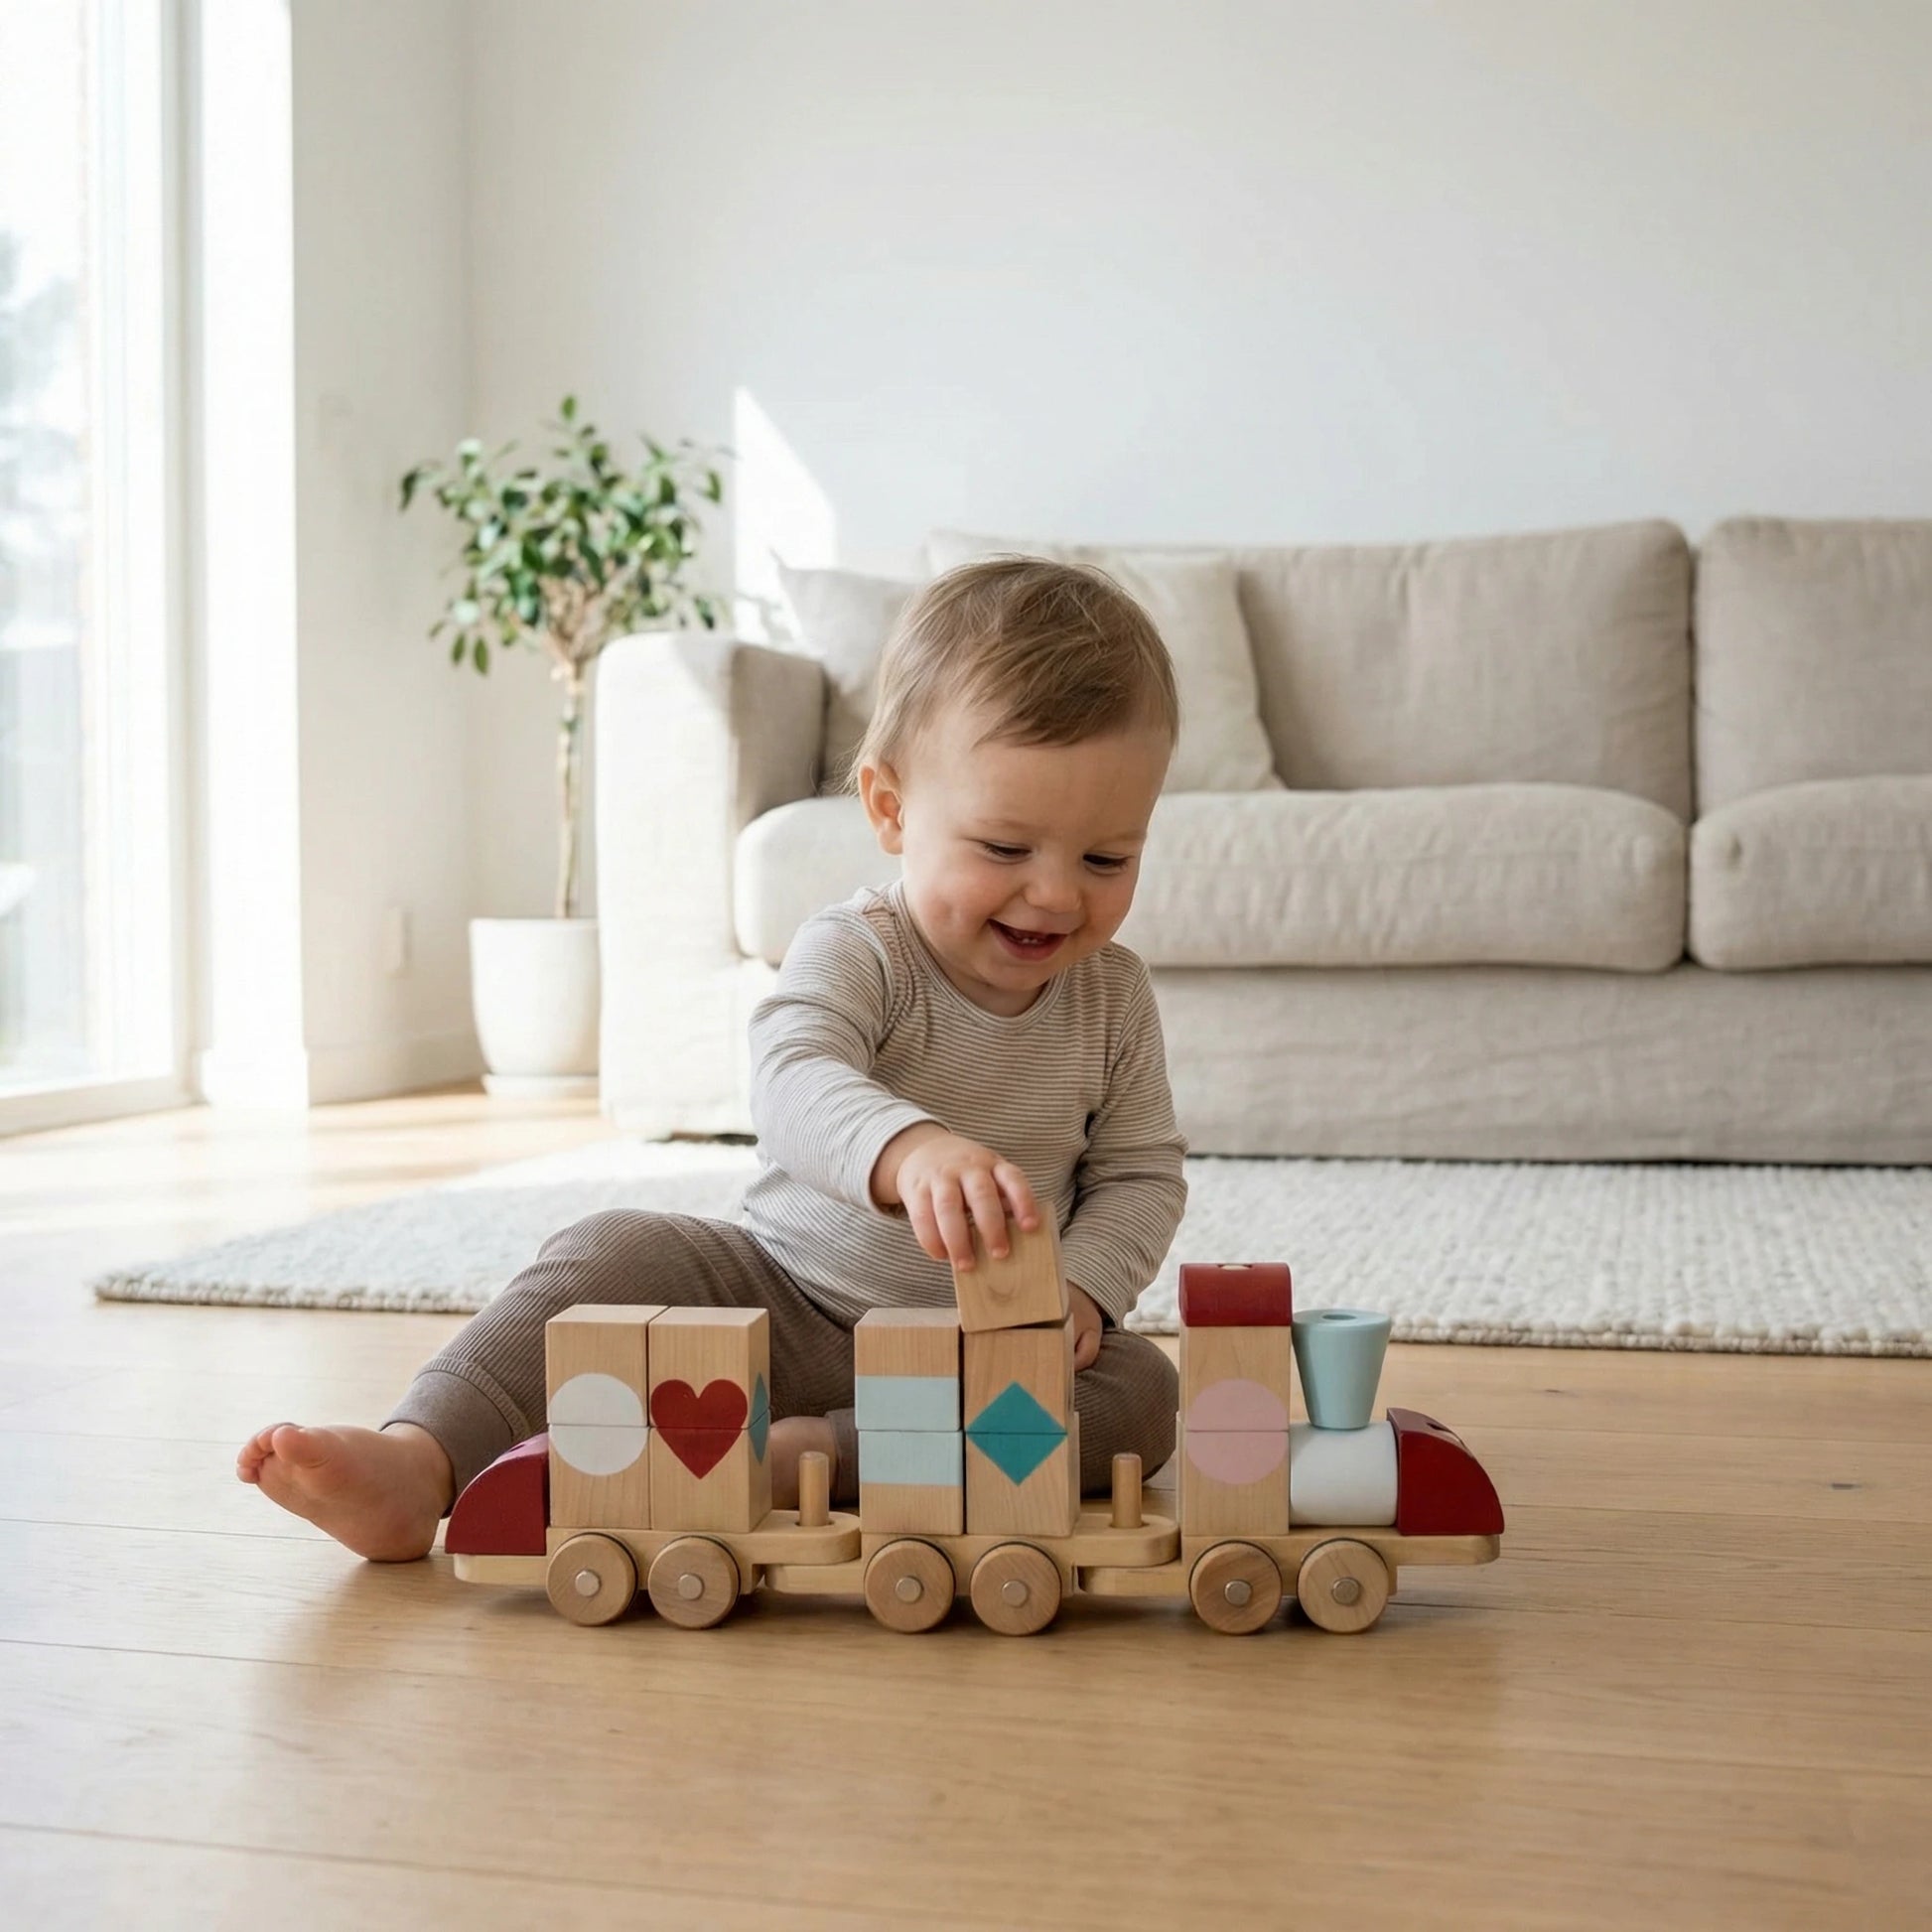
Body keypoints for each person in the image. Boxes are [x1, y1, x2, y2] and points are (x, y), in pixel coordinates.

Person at [237, 556, 1188, 1560]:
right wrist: (905, 1150)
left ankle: (808, 1458)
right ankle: (420, 1459)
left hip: (981, 1355)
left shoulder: (1112, 997)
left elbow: (1139, 1174)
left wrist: (1079, 1289)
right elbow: (792, 1074)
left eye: (1105, 858)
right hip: (779, 1303)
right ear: (890, 808)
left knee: (1141, 1395)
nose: (1055, 894)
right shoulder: (860, 949)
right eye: (1003, 848)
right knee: (610, 1249)